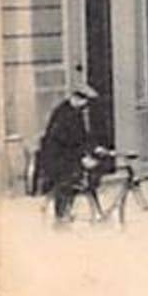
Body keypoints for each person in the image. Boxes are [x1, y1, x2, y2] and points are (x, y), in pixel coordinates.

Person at [36, 83, 102, 222]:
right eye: (84, 102)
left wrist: (95, 148)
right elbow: (67, 141)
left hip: (68, 155)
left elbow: (82, 136)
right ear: (76, 98)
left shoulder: (75, 113)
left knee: (87, 176)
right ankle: (61, 218)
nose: (85, 106)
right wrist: (82, 157)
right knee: (66, 184)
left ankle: (72, 211)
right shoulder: (63, 114)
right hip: (57, 158)